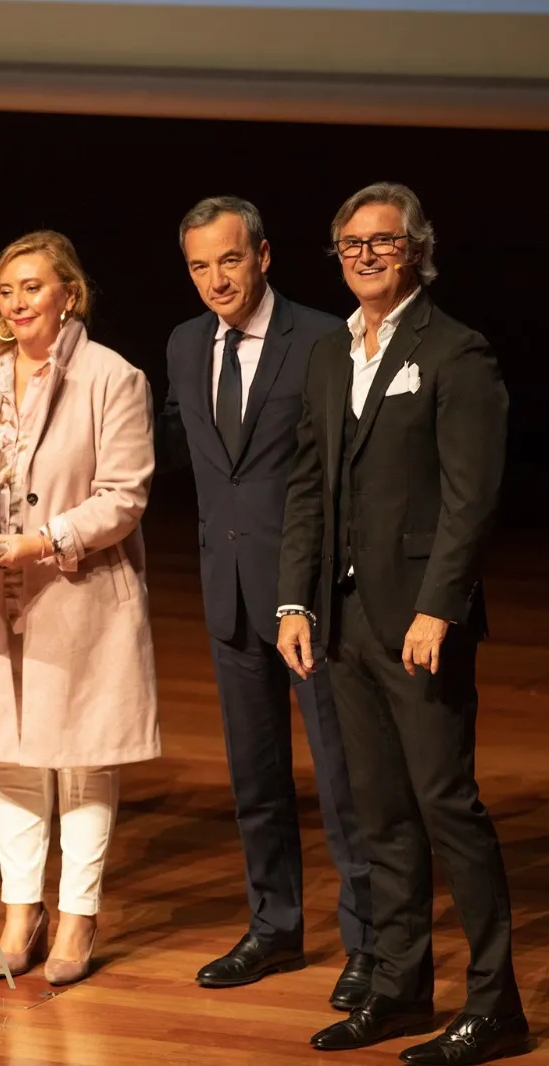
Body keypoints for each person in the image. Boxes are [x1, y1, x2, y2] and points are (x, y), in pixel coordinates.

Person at [278, 182, 525, 1064]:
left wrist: (437, 609)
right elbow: (308, 483)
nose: (367, 256)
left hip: (421, 625)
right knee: (379, 815)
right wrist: (295, 600)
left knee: (447, 807)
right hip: (342, 624)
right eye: (351, 244)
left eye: (384, 243)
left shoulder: (457, 352)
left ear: (417, 249)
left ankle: (497, 1006)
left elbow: (470, 503)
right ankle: (398, 989)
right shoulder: (328, 353)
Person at [0, 231, 159, 986]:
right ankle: (23, 909)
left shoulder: (113, 378)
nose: (17, 302)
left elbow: (123, 497)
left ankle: (78, 912)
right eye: (7, 290)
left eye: (33, 287)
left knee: (82, 754)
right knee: (15, 754)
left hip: (76, 589)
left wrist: (46, 540)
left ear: (69, 296)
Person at [156, 196, 374, 1009]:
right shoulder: (184, 343)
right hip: (229, 595)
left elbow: (346, 475)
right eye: (200, 265)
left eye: (230, 260)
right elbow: (174, 447)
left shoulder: (322, 337)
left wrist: (327, 586)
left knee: (344, 783)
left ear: (265, 256)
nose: (216, 279)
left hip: (311, 601)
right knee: (255, 778)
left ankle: (370, 942)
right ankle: (275, 926)